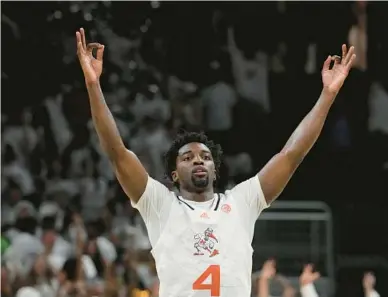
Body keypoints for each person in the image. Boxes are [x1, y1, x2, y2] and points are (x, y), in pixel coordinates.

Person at [76, 28, 356, 297]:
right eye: (187, 157)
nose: (198, 160)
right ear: (174, 174)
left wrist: (327, 96)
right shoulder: (160, 205)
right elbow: (117, 151)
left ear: (215, 169)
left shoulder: (242, 201)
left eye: (205, 157)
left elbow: (291, 154)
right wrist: (93, 85)